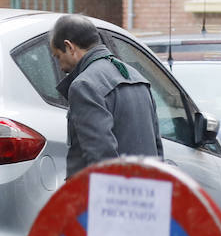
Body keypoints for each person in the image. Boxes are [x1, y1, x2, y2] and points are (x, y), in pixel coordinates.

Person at [50, 14, 163, 178]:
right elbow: (156, 146)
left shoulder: (84, 85)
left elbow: (101, 158)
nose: (60, 66)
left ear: (69, 47)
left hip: (112, 197)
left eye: (58, 56)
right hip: (146, 193)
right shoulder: (136, 77)